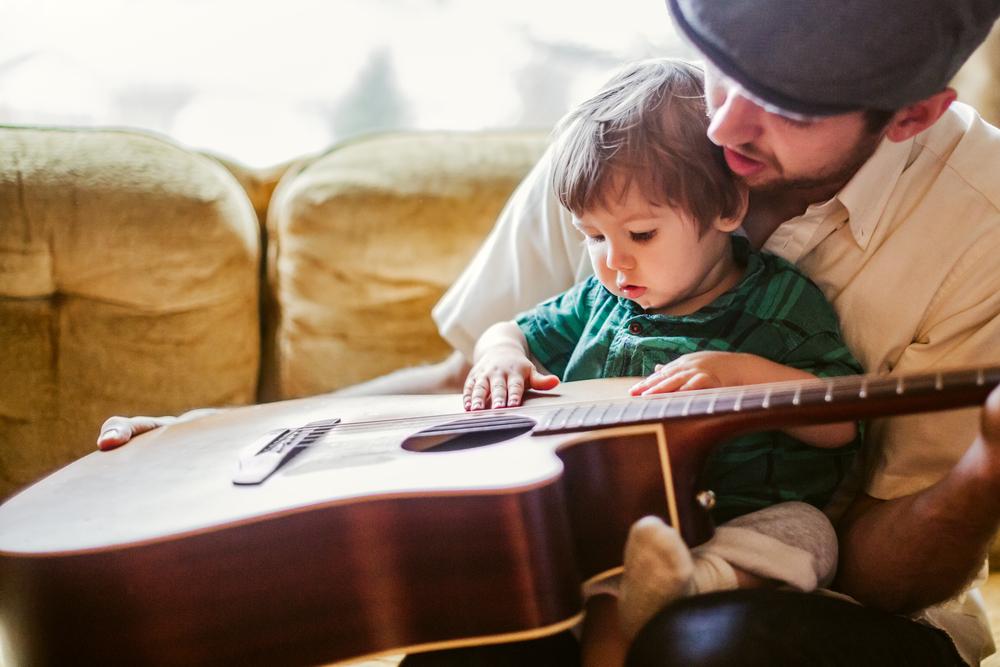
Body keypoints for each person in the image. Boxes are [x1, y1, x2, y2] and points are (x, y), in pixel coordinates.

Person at [99, 0, 1000, 664]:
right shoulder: (636, 137)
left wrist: (985, 472)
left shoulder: (982, 226)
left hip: (827, 597)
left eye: (788, 104)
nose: (724, 122)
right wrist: (215, 437)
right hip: (594, 546)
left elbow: (885, 572)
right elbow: (466, 380)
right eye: (720, 65)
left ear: (913, 113)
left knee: (701, 646)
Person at [461, 56, 863, 666]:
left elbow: (844, 421)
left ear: (728, 208)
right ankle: (641, 588)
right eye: (593, 237)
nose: (614, 263)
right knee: (576, 577)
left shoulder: (779, 305)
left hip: (743, 517)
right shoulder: (599, 299)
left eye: (641, 235)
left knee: (810, 535)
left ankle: (691, 584)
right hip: (614, 520)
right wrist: (498, 356)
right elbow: (511, 330)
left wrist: (743, 376)